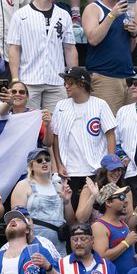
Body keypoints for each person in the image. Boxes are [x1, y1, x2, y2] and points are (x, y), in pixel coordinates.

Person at [7, 0, 80, 112]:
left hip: (57, 80)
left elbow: (70, 49)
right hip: (28, 80)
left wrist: (73, 79)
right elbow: (14, 49)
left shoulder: (64, 15)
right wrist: (15, 80)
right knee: (28, 124)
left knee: (57, 126)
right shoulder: (21, 15)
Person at [51, 66, 117, 196]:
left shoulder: (100, 104)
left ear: (82, 84)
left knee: (96, 211)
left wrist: (109, 166)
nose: (66, 86)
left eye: (70, 83)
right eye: (65, 83)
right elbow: (55, 138)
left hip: (95, 169)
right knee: (71, 211)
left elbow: (110, 135)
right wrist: (59, 164)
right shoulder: (60, 105)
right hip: (69, 171)